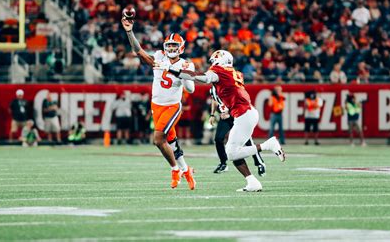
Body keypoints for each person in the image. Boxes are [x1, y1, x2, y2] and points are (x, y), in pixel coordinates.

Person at [159, 49, 285, 192]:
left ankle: (268, 145)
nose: (212, 65)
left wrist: (172, 69)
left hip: (243, 114)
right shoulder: (235, 73)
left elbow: (201, 77)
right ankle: (252, 182)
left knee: (231, 152)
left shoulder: (221, 71)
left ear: (220, 61)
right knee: (234, 151)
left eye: (214, 61)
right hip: (244, 113)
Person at [121, 15, 196, 190]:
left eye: (174, 45)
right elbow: (138, 51)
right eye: (168, 45)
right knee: (171, 142)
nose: (171, 48)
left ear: (181, 48)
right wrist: (129, 32)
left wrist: (178, 71)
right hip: (156, 105)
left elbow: (191, 89)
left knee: (158, 139)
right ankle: (186, 170)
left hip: (172, 106)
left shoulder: (186, 65)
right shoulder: (158, 57)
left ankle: (175, 169)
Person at [209, 86, 266, 176]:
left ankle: (260, 163)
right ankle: (223, 163)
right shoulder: (213, 88)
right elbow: (214, 100)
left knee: (248, 141)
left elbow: (240, 100)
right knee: (218, 139)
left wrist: (229, 112)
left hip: (237, 114)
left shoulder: (230, 85)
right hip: (225, 116)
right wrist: (212, 114)